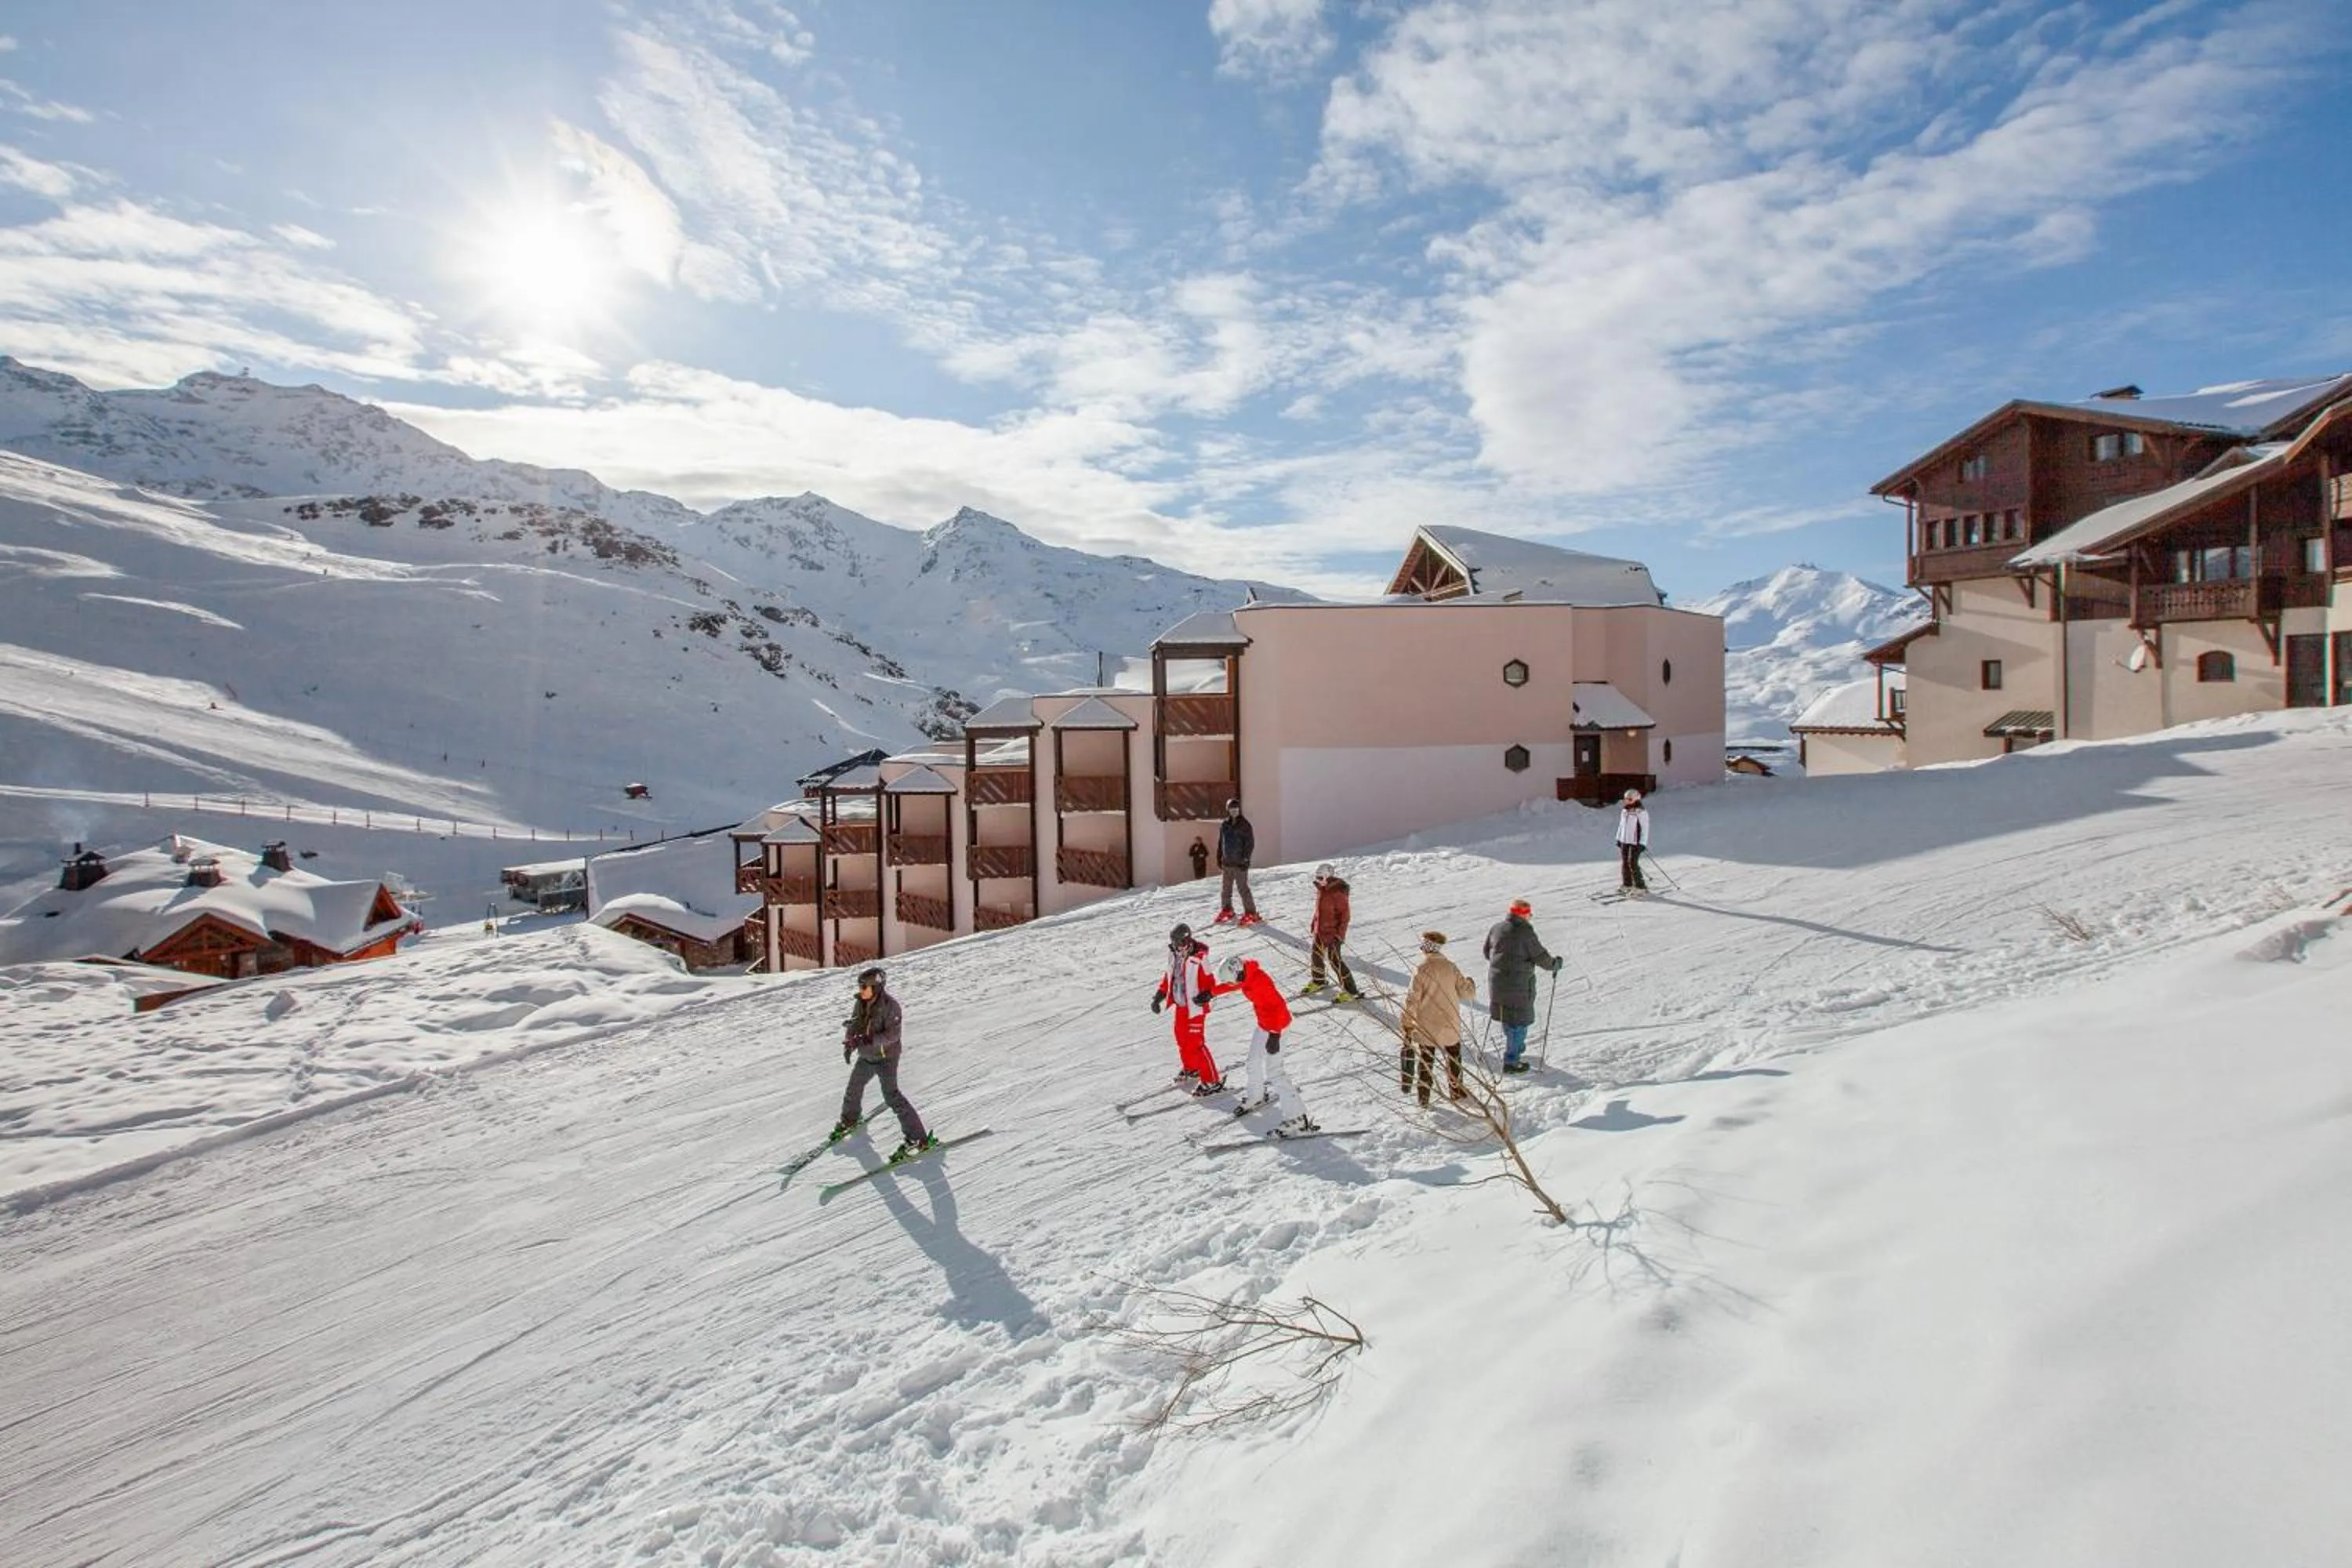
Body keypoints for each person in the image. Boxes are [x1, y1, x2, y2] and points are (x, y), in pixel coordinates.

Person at [829, 967, 937, 1161]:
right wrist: (850, 1043)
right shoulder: (860, 1003)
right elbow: (854, 1025)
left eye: (865, 987)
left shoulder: (891, 1007)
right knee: (854, 1088)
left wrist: (867, 1039)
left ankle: (918, 1139)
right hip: (867, 1056)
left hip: (886, 1058)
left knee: (892, 1096)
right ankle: (849, 1121)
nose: (862, 991)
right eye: (861, 987)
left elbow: (893, 1036)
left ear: (876, 988)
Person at [1213, 955, 1318, 1137]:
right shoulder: (1246, 975)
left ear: (1238, 972)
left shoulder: (1260, 981)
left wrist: (1275, 1036)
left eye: (1231, 979)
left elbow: (1277, 1006)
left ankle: (1298, 1117)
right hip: (1264, 1025)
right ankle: (1256, 1096)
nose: (1231, 983)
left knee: (1275, 1072)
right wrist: (1211, 993)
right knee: (1253, 1062)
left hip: (1278, 1026)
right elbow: (1235, 985)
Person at [1483, 898, 1563, 1074]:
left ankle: (1515, 1049)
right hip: (1518, 985)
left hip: (1497, 982)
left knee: (1507, 1016)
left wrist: (1501, 965)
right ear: (1524, 915)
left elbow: (1487, 952)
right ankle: (1512, 1060)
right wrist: (1555, 964)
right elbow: (1541, 957)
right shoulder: (1525, 933)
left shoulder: (1497, 928)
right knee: (1519, 1022)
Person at [1400, 931, 1475, 1105]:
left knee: (1426, 1062)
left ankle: (1424, 1097)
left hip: (1427, 1025)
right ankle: (1456, 1091)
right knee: (1454, 1058)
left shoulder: (1421, 969)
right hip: (1450, 1022)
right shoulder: (1451, 967)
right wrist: (1470, 983)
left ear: (1426, 949)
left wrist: (1407, 1023)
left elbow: (1413, 999)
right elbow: (1467, 993)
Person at [1150, 922, 1225, 1094]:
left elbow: (1209, 980)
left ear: (1187, 940)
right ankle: (1192, 1069)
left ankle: (1212, 1081)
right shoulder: (1174, 954)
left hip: (1195, 1007)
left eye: (1180, 942)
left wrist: (1207, 994)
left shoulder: (1199, 957)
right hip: (1181, 1005)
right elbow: (1169, 977)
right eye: (1175, 942)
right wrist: (1158, 996)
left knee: (1196, 1044)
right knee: (1182, 1039)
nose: (1178, 946)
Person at [1302, 863, 1359, 1000]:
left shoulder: (1337, 892)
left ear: (1328, 876)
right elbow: (1319, 911)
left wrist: (1339, 935)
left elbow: (1345, 917)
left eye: (1321, 877)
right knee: (1316, 956)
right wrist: (1314, 923)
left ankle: (1351, 990)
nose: (1319, 880)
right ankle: (1319, 981)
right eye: (1318, 877)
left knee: (1335, 961)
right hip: (1320, 930)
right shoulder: (1322, 889)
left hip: (1333, 934)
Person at [1213, 798, 1261, 926]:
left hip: (1240, 863)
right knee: (1226, 889)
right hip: (1227, 862)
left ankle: (1251, 913)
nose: (1234, 811)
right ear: (1228, 810)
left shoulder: (1245, 825)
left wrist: (1246, 859)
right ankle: (1227, 910)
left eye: (1236, 809)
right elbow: (1221, 842)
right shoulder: (1225, 825)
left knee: (1243, 888)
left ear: (1239, 810)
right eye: (1232, 809)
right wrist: (1219, 857)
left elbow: (1250, 844)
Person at [1616, 789, 1652, 897]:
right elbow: (1621, 825)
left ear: (1636, 799)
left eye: (1629, 799)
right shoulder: (1625, 811)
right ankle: (1628, 884)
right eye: (1625, 799)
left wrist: (1642, 843)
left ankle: (1641, 887)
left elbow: (1645, 828)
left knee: (1632, 863)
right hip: (1624, 841)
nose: (1626, 801)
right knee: (1625, 863)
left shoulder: (1641, 812)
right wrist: (1618, 838)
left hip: (1635, 842)